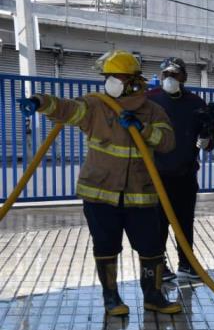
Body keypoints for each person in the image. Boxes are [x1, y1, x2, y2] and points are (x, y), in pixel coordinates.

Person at [17, 50, 181, 315]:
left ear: (132, 80)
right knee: (106, 246)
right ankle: (111, 298)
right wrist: (39, 101)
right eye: (108, 77)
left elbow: (168, 142)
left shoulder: (153, 111)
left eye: (114, 77)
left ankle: (153, 295)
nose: (109, 82)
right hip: (101, 195)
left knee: (151, 248)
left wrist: (144, 130)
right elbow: (68, 108)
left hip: (141, 195)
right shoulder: (96, 106)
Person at [147, 57, 214, 282]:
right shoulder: (150, 100)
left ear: (184, 77)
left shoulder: (196, 103)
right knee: (157, 224)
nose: (169, 78)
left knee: (184, 222)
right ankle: (159, 266)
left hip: (185, 174)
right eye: (165, 74)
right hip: (156, 176)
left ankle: (187, 264)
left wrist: (207, 139)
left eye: (174, 74)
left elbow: (208, 137)